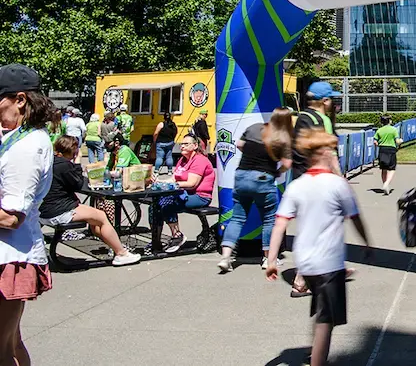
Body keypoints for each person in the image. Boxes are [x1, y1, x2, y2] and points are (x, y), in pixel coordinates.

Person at [265, 129, 372, 366]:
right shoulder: (337, 185)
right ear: (324, 153)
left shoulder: (297, 185)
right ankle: (317, 360)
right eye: (333, 151)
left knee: (321, 310)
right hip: (329, 261)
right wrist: (366, 243)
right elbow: (355, 217)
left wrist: (272, 260)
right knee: (326, 319)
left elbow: (280, 223)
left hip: (305, 262)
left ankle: (314, 351)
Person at [0, 64, 59, 366]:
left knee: (4, 348)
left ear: (20, 100)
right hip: (11, 253)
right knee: (10, 343)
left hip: (11, 255)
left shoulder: (27, 147)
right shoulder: (19, 137)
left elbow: (11, 217)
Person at [39, 136, 141, 266]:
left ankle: (113, 245)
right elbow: (78, 184)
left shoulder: (49, 161)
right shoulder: (64, 165)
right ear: (73, 151)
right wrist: (77, 163)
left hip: (44, 209)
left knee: (95, 217)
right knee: (101, 216)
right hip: (59, 210)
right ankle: (121, 253)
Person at [218, 108, 294, 273]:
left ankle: (226, 257)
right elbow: (287, 164)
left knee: (237, 218)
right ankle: (267, 258)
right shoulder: (283, 139)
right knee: (268, 219)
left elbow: (239, 144)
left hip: (241, 176)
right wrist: (276, 171)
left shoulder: (255, 127)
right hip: (263, 179)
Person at [151, 134, 216, 253]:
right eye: (181, 144)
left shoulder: (200, 160)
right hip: (183, 193)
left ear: (195, 146)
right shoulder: (182, 160)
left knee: (166, 202)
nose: (182, 147)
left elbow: (192, 183)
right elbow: (174, 179)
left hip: (200, 196)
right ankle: (156, 241)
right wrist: (159, 181)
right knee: (155, 205)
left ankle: (177, 236)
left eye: (186, 144)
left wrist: (173, 185)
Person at [291, 81, 342, 180]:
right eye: (332, 99)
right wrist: (339, 177)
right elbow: (330, 152)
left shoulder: (302, 117)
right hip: (320, 176)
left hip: (300, 175)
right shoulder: (323, 120)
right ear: (325, 101)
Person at [374, 115, 400, 195]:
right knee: (392, 168)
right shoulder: (394, 130)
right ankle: (387, 183)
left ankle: (384, 183)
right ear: (389, 121)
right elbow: (397, 141)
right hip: (391, 149)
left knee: (383, 168)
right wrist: (400, 141)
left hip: (382, 149)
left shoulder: (379, 130)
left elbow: (375, 142)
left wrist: (379, 144)